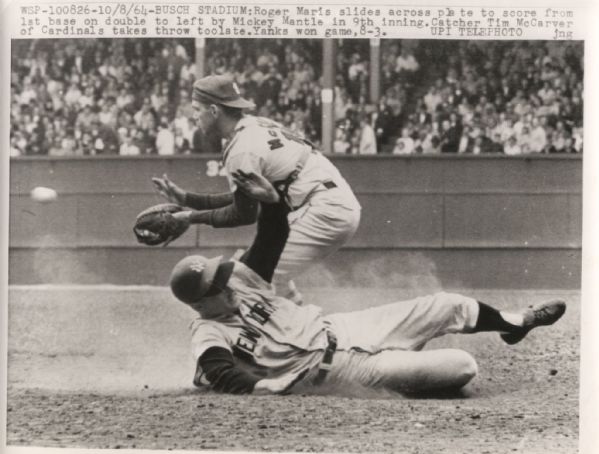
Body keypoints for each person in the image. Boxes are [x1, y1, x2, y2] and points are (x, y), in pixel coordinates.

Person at [168, 189, 566, 396]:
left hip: (343, 326)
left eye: (221, 274)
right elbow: (220, 370)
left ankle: (514, 323)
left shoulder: (241, 279)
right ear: (202, 303)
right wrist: (259, 385)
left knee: (447, 304)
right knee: (462, 366)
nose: (228, 283)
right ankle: (402, 365)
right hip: (334, 371)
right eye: (218, 286)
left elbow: (273, 236)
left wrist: (272, 203)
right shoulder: (207, 332)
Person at [153, 75, 361, 304]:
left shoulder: (241, 149)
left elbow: (243, 214)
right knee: (252, 267)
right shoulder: (255, 124)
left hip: (323, 209)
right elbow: (243, 199)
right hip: (327, 201)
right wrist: (187, 199)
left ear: (213, 111)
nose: (193, 116)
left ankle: (306, 334)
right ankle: (304, 327)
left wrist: (189, 217)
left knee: (246, 280)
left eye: (196, 109)